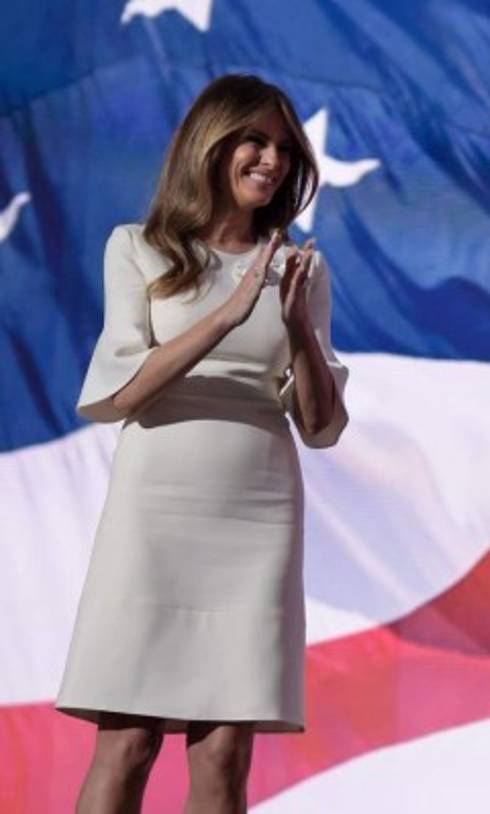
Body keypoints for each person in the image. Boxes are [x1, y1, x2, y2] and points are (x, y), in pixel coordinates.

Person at [57, 74, 348, 813]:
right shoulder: (140, 249)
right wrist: (226, 313)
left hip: (258, 513)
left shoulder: (302, 270)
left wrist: (299, 334)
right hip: (155, 510)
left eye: (284, 148)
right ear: (210, 145)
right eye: (254, 140)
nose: (271, 159)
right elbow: (120, 394)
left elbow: (320, 427)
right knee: (128, 742)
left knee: (224, 755)